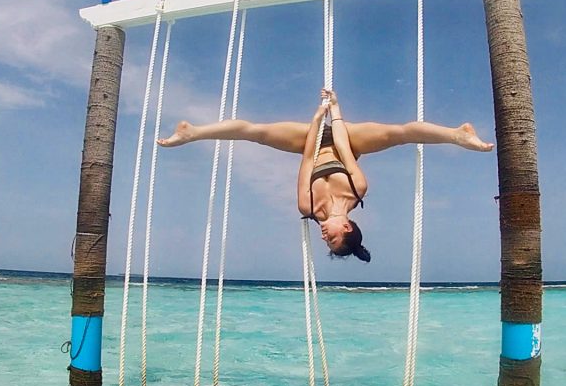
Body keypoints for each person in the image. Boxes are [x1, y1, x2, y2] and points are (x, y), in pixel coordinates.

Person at [158, 89, 494, 261]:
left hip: (312, 144)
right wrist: (335, 111)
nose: (323, 237)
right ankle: (457, 134)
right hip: (348, 139)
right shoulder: (357, 189)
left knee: (254, 132)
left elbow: (306, 161)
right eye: (332, 238)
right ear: (346, 227)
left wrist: (317, 120)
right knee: (398, 133)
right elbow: (346, 148)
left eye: (326, 241)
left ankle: (192, 133)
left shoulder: (307, 208)